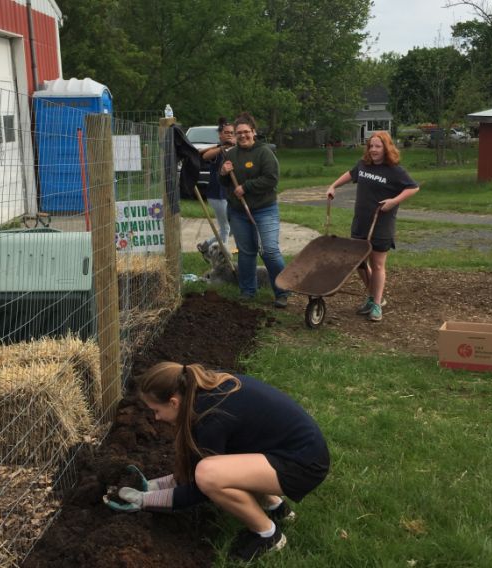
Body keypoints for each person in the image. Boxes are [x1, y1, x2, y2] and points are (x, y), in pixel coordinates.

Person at [108, 362, 330, 563]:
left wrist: (145, 500)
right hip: (295, 450)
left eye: (156, 410)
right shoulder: (203, 388)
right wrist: (153, 485)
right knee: (218, 465)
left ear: (174, 402)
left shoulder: (211, 417)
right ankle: (276, 508)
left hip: (303, 464)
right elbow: (197, 465)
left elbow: (201, 488)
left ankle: (268, 535)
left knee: (209, 474)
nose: (155, 418)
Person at [326, 131, 419, 322]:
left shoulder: (394, 170)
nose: (374, 150)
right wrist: (333, 186)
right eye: (371, 146)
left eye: (378, 146)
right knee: (359, 262)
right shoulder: (364, 165)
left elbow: (413, 187)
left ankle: (376, 304)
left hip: (381, 223)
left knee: (377, 264)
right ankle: (373, 295)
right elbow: (351, 174)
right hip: (361, 221)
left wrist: (394, 201)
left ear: (386, 148)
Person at [219, 112, 289, 307]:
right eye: (238, 132)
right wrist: (223, 173)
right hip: (238, 211)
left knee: (269, 250)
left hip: (264, 209)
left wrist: (246, 187)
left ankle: (282, 291)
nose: (242, 135)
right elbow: (224, 182)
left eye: (246, 132)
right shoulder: (231, 154)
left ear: (254, 132)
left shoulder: (264, 152)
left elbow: (271, 179)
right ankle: (248, 291)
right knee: (246, 252)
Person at [196, 118, 235, 252]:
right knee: (226, 228)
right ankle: (222, 255)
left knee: (233, 228)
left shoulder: (235, 150)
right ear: (220, 135)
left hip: (231, 194)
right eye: (226, 132)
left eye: (232, 132)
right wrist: (222, 147)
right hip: (218, 194)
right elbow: (205, 156)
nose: (230, 134)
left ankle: (206, 245)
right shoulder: (218, 151)